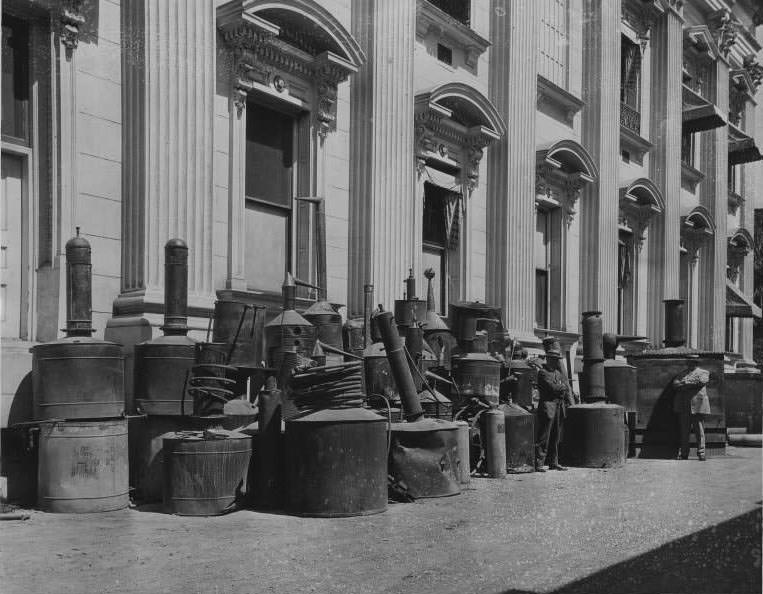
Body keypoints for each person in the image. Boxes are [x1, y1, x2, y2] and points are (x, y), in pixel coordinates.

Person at [534, 337, 574, 472]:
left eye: (557, 359)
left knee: (556, 436)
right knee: (544, 436)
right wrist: (560, 387)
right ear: (549, 359)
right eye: (554, 359)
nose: (556, 361)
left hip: (558, 407)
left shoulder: (557, 373)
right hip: (548, 407)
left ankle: (553, 462)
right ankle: (539, 463)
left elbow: (562, 390)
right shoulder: (543, 372)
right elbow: (554, 389)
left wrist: (560, 388)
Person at [672, 354, 711, 461]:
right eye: (688, 362)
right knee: (684, 431)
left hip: (698, 406)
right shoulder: (682, 373)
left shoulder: (703, 372)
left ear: (696, 363)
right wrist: (686, 384)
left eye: (692, 362)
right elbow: (675, 384)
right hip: (684, 406)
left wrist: (684, 383)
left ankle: (701, 453)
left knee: (699, 431)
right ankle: (684, 453)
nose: (690, 364)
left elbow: (701, 382)